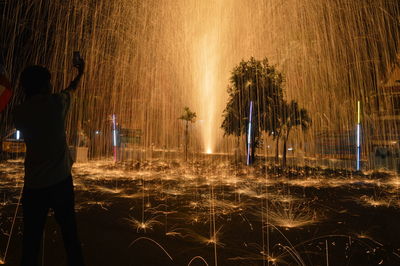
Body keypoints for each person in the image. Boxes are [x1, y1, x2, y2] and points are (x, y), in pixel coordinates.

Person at [13, 55, 85, 266]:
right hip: (60, 182)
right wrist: (80, 73)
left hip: (34, 186)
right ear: (45, 85)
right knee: (70, 235)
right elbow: (72, 89)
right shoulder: (56, 104)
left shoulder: (19, 113)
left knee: (31, 241)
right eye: (49, 82)